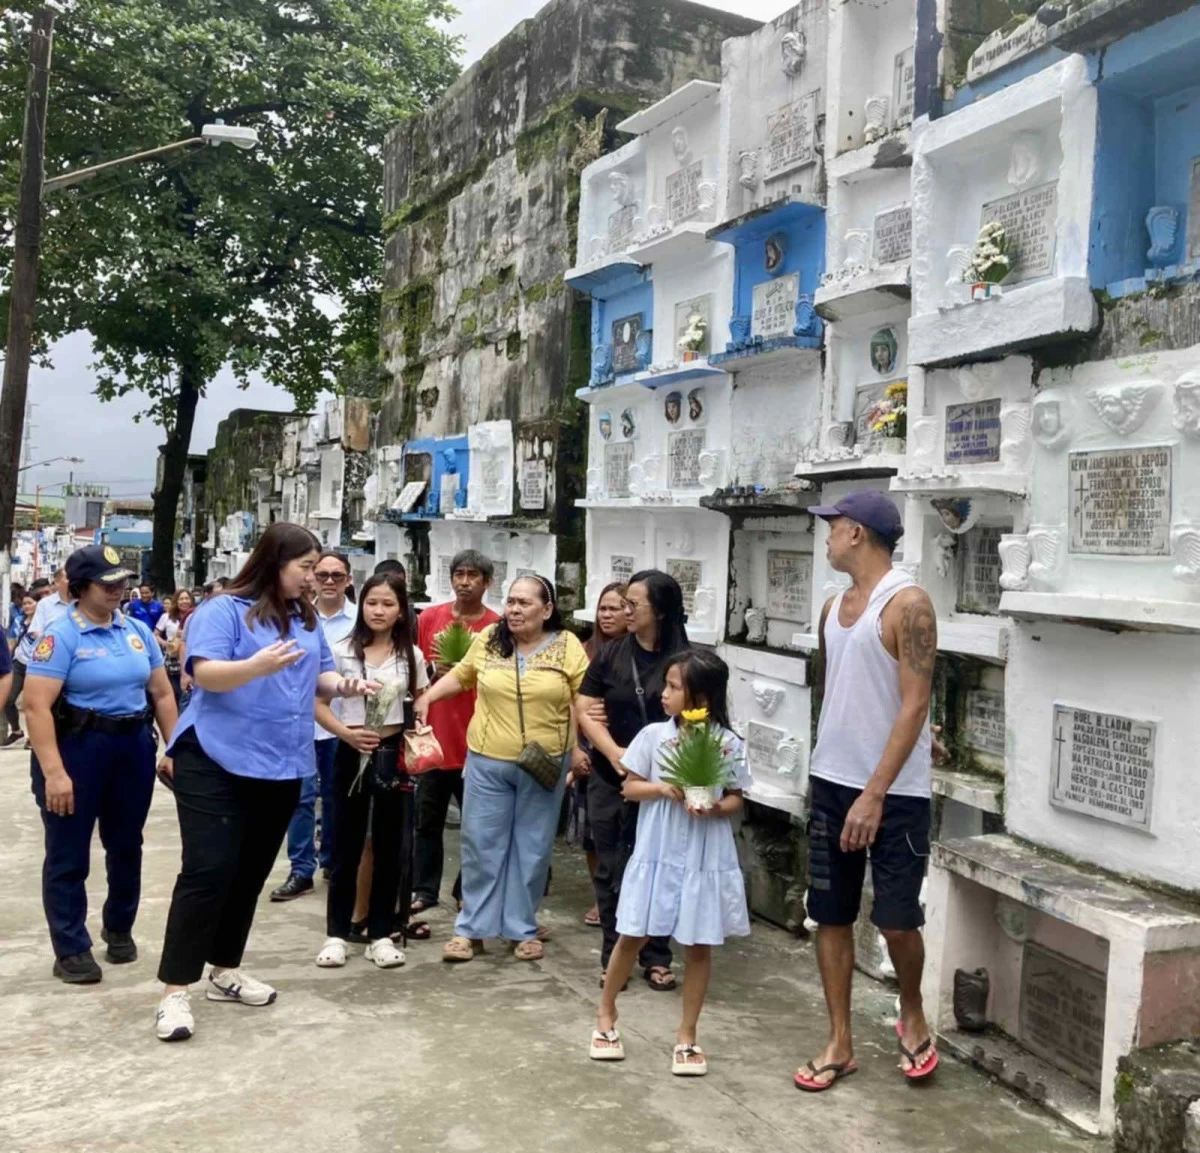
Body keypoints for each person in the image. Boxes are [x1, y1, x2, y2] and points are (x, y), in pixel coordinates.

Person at [153, 522, 377, 1042]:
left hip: (280, 761)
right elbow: (203, 673)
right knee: (208, 870)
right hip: (215, 757)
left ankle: (224, 969)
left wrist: (346, 683)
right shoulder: (223, 611)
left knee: (250, 871)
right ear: (275, 563)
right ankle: (174, 992)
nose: (313, 579)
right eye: (305, 568)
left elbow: (317, 675)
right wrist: (252, 666)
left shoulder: (302, 617)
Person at [794, 491, 937, 1091]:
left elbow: (916, 699)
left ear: (856, 532)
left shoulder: (909, 605)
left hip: (894, 793)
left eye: (832, 527)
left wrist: (875, 792)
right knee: (829, 914)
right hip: (831, 783)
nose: (825, 537)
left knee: (898, 920)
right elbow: (840, 690)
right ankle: (839, 1040)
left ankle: (911, 1008)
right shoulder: (832, 608)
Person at [22, 546, 178, 984]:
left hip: (131, 746)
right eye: (106, 584)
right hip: (78, 747)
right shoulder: (61, 636)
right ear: (78, 588)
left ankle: (119, 926)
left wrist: (177, 748)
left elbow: (163, 695)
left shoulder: (135, 631)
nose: (117, 590)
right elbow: (35, 707)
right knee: (69, 850)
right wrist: (54, 772)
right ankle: (70, 946)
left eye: (121, 582)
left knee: (127, 844)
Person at [590, 649, 750, 1075]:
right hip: (658, 849)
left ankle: (687, 1034)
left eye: (675, 687)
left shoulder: (727, 743)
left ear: (704, 697)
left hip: (704, 851)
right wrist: (666, 790)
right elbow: (630, 788)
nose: (664, 693)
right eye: (668, 684)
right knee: (633, 934)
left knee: (699, 944)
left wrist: (716, 807)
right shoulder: (653, 737)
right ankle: (606, 1014)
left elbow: (737, 796)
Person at [416, 574, 589, 963]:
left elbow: (582, 699)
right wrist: (428, 697)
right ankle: (471, 930)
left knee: (532, 846)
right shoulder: (491, 638)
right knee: (480, 843)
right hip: (488, 759)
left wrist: (579, 749)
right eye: (510, 601)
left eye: (524, 603)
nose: (513, 609)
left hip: (544, 763)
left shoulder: (567, 646)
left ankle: (521, 928)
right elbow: (462, 675)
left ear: (547, 610)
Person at [576, 571, 690, 991]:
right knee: (610, 868)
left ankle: (656, 954)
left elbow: (702, 719)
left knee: (659, 867)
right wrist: (614, 753)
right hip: (612, 776)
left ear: (658, 610)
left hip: (664, 784)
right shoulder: (611, 655)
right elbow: (586, 707)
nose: (625, 611)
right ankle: (614, 954)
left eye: (633, 604)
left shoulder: (686, 661)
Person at [314, 572, 429, 970]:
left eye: (388, 604)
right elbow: (317, 703)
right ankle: (336, 933)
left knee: (389, 846)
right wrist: (347, 735)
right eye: (372, 603)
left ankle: (381, 932)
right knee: (345, 845)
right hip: (349, 751)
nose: (378, 611)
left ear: (401, 612)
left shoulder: (410, 656)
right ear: (360, 605)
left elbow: (421, 697)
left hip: (392, 754)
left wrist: (423, 717)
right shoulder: (341, 648)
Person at [412, 550, 499, 915]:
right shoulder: (431, 617)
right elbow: (413, 668)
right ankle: (424, 889)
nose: (464, 581)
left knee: (477, 827)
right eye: (458, 574)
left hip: (478, 739)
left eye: (473, 575)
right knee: (426, 820)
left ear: (487, 582)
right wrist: (435, 670)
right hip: (435, 735)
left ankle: (467, 889)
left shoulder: (497, 626)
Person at [271, 551, 356, 901]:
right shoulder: (296, 618)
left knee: (338, 798)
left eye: (338, 576)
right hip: (300, 722)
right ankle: (300, 869)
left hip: (342, 722)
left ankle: (333, 863)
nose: (330, 582)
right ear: (313, 579)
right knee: (301, 799)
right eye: (323, 575)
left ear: (349, 579)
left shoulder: (359, 619)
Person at [573, 582, 630, 929]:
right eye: (603, 609)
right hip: (589, 750)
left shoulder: (639, 656)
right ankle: (602, 896)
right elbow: (571, 703)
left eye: (615, 608)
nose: (607, 615)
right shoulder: (584, 650)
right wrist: (576, 748)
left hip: (623, 752)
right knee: (593, 832)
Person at [7, 569, 72, 750]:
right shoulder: (44, 607)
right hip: (33, 663)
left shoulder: (83, 603)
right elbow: (35, 633)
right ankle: (29, 736)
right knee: (33, 703)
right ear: (56, 583)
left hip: (68, 665)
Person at [2, 592, 37, 746]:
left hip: (36, 667)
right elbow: (11, 641)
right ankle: (16, 730)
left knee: (32, 704)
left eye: (30, 603)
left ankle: (33, 736)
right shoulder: (18, 621)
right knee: (9, 700)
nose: (27, 607)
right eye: (25, 604)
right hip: (19, 664)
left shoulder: (43, 621)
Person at [155, 589, 195, 703]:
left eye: (187, 598)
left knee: (189, 693)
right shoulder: (167, 617)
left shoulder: (196, 615)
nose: (184, 601)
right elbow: (155, 635)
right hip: (173, 661)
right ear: (176, 601)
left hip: (190, 657)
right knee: (176, 692)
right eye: (181, 599)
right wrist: (165, 644)